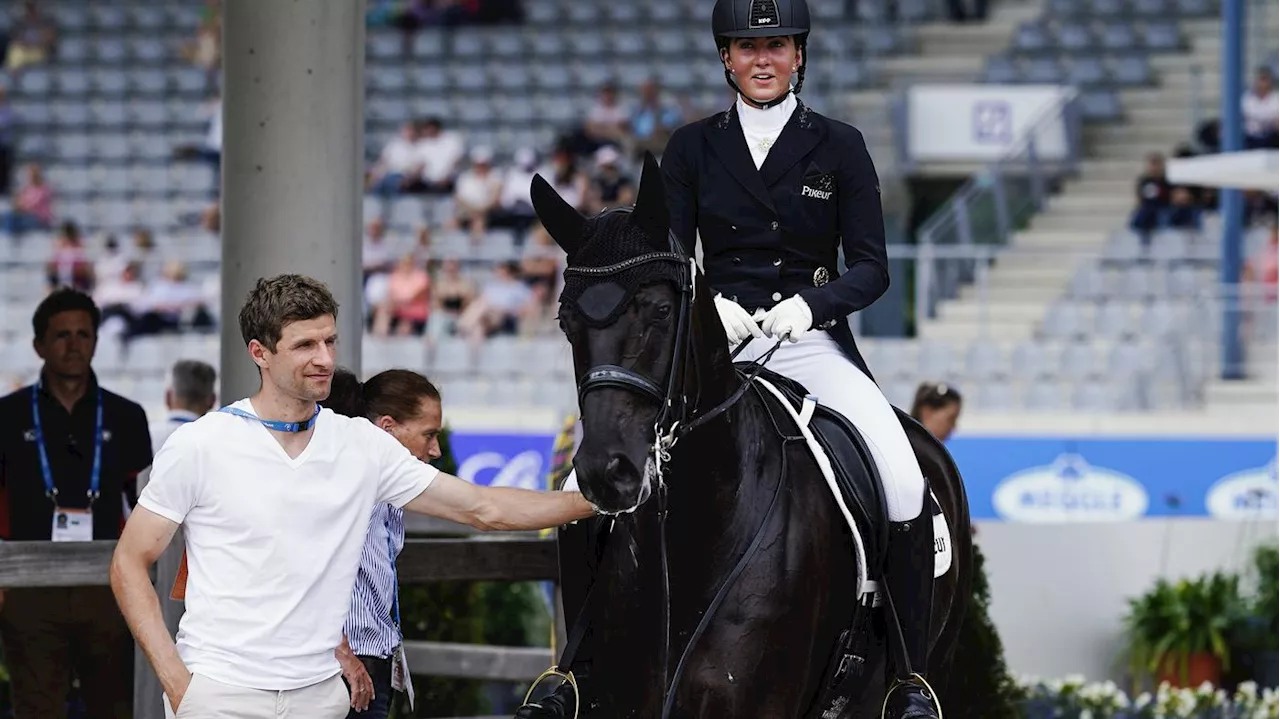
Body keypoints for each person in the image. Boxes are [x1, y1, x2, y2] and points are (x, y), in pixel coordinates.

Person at [108, 274, 598, 719]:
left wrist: (593, 499)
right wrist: (177, 683)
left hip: (321, 698)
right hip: (219, 695)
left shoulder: (362, 444)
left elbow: (482, 507)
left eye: (329, 341)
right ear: (260, 353)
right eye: (304, 345)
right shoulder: (201, 443)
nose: (324, 359)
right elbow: (129, 562)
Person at [657, 1, 941, 715]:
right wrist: (705, 304)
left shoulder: (839, 145)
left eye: (776, 45)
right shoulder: (690, 148)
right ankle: (577, 665)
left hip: (808, 341)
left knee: (903, 477)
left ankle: (909, 679)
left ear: (799, 56)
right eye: (747, 47)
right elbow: (667, 254)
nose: (762, 59)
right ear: (726, 58)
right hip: (715, 345)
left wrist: (810, 308)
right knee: (590, 480)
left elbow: (872, 268)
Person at [0, 287, 154, 719]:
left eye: (83, 334)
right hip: (28, 588)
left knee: (114, 705)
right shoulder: (7, 415)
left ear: (96, 342)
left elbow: (144, 506)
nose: (74, 345)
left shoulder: (126, 416)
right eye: (62, 335)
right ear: (39, 345)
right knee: (36, 706)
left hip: (107, 588)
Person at [320, 367, 445, 719]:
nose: (435, 449)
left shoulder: (388, 490)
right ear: (387, 428)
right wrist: (340, 650)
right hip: (343, 664)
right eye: (429, 434)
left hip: (368, 658)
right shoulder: (352, 485)